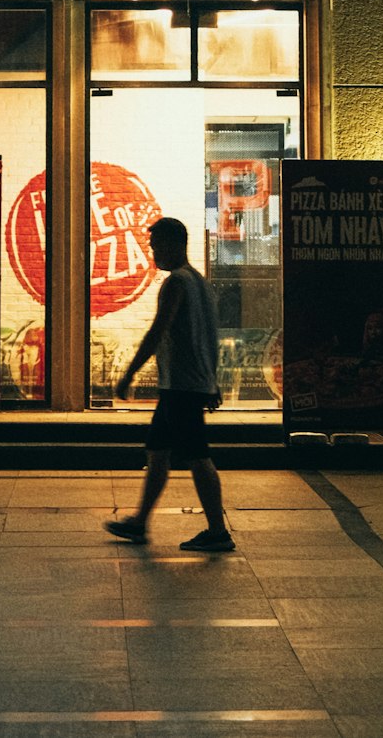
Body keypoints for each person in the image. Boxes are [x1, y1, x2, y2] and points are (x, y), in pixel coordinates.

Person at [104, 216, 234, 553]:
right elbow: (207, 338)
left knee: (197, 455)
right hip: (186, 385)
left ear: (176, 243)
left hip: (181, 387)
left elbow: (158, 330)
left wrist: (129, 373)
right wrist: (212, 381)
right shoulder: (201, 282)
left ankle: (218, 531)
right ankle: (139, 523)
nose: (153, 252)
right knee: (158, 451)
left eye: (157, 245)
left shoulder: (176, 283)